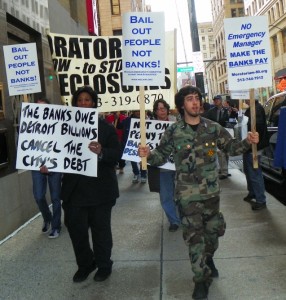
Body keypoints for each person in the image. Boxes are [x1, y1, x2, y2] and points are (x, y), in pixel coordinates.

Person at [138, 86, 259, 300]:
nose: (195, 102)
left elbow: (231, 149)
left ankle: (208, 256)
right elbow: (160, 156)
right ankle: (200, 280)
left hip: (211, 194)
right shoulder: (174, 132)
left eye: (197, 98)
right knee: (194, 239)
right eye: (190, 99)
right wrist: (146, 154)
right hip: (187, 196)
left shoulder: (212, 128)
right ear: (181, 105)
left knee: (213, 234)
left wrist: (248, 142)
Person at [61, 86, 120, 283]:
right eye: (80, 100)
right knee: (77, 232)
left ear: (94, 103)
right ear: (75, 103)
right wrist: (47, 164)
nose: (83, 103)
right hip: (74, 191)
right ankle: (85, 265)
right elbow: (56, 153)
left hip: (100, 191)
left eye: (87, 100)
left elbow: (116, 155)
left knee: (100, 231)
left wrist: (102, 152)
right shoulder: (64, 128)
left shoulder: (105, 128)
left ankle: (104, 265)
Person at [148, 99, 180, 232]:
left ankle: (183, 216)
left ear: (167, 109)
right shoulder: (149, 126)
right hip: (162, 168)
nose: (162, 111)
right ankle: (174, 220)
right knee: (166, 195)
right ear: (155, 111)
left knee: (181, 194)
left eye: (164, 108)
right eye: (159, 109)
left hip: (179, 164)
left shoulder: (177, 123)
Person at [31, 98, 62, 239]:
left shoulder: (58, 125)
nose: (40, 110)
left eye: (43, 107)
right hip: (36, 166)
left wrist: (52, 165)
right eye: (38, 107)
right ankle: (47, 217)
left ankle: (56, 226)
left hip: (54, 166)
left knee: (56, 198)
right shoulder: (30, 125)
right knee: (38, 196)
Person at [243, 99, 269, 210]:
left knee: (254, 172)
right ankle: (253, 192)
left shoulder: (256, 109)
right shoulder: (252, 108)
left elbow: (256, 127)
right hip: (249, 145)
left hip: (254, 146)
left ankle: (260, 200)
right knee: (248, 170)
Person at [205, 95, 231, 180]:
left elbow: (231, 120)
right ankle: (224, 172)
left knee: (226, 152)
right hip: (215, 134)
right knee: (219, 152)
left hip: (225, 133)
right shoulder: (211, 111)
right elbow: (206, 121)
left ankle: (225, 169)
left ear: (221, 100)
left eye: (217, 100)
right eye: (214, 100)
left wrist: (233, 113)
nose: (216, 101)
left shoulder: (227, 110)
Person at [122, 110, 147, 183]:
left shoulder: (146, 120)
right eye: (136, 111)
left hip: (142, 143)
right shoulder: (127, 120)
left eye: (139, 111)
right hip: (131, 143)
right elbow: (120, 126)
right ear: (133, 112)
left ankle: (143, 174)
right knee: (132, 159)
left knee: (143, 159)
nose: (138, 112)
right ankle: (136, 173)